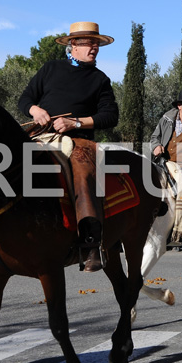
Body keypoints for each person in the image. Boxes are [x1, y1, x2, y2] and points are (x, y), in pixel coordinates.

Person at [18, 21, 119, 272]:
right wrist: (35, 109)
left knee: (83, 172)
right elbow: (25, 99)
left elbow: (110, 115)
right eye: (88, 42)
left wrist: (75, 122)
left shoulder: (100, 80)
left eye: (96, 43)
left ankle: (90, 241)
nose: (93, 47)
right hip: (39, 133)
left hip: (78, 139)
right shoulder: (50, 68)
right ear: (73, 45)